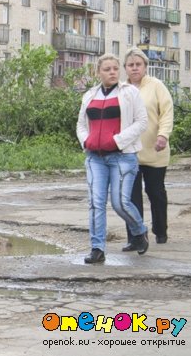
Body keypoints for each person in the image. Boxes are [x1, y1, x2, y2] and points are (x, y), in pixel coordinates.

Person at [76, 53, 149, 264]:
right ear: (98, 72)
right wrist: (86, 141)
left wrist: (117, 141)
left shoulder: (130, 93)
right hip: (95, 158)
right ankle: (97, 248)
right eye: (107, 69)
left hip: (122, 157)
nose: (112, 72)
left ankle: (139, 230)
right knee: (96, 204)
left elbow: (141, 122)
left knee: (119, 203)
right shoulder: (90, 95)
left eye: (115, 69)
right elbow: (81, 125)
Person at [122, 47, 174, 249]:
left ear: (145, 67)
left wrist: (163, 135)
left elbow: (166, 113)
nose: (134, 68)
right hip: (129, 153)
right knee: (130, 198)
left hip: (154, 149)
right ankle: (135, 236)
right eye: (130, 65)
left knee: (155, 192)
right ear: (125, 68)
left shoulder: (156, 86)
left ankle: (160, 230)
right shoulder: (121, 89)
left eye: (138, 64)